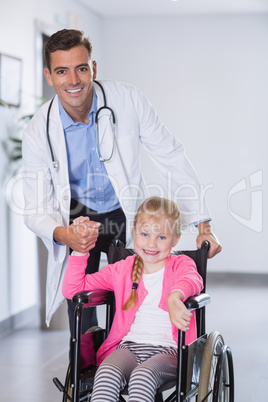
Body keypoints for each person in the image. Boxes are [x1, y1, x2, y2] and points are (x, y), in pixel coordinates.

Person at [22, 28, 221, 332]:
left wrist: (204, 226)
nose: (73, 80)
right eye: (62, 71)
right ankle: (86, 373)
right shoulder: (39, 129)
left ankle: (122, 361)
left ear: (94, 68)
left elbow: (170, 155)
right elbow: (34, 205)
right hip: (77, 217)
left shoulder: (127, 99)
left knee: (128, 302)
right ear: (49, 77)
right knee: (80, 304)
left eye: (81, 69)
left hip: (123, 214)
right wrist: (64, 234)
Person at [62, 196, 203, 402]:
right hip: (128, 346)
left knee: (142, 376)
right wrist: (80, 250)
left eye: (162, 237)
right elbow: (73, 290)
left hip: (171, 351)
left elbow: (193, 280)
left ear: (176, 238)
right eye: (145, 234)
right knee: (106, 373)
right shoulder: (123, 268)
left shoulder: (181, 264)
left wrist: (175, 296)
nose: (151, 243)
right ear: (134, 231)